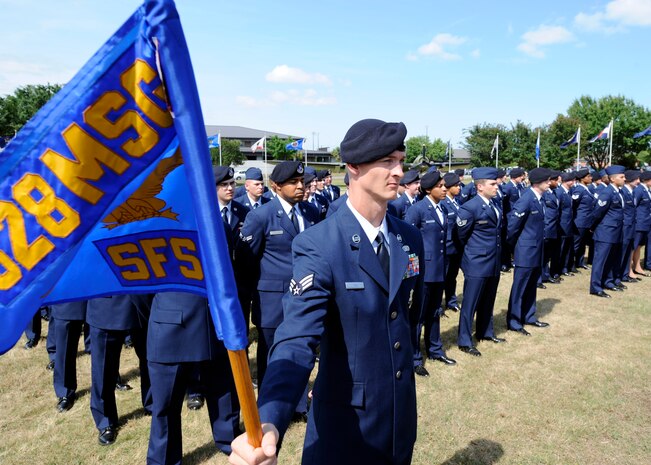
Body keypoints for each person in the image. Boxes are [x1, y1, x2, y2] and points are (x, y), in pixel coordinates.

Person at [229, 118, 425, 465]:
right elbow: (295, 338)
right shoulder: (319, 245)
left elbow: (409, 316)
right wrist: (271, 419)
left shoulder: (408, 237)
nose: (399, 171)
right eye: (387, 161)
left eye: (401, 160)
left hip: (399, 416)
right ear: (352, 167)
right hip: (346, 426)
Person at [237, 160, 320, 419]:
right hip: (273, 300)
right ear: (276, 186)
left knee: (302, 350)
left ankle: (298, 404)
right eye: (293, 183)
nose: (300, 186)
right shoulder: (261, 215)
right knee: (271, 355)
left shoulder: (310, 212)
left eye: (302, 182)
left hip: (305, 297)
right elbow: (246, 262)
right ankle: (270, 406)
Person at [146, 292, 241, 463]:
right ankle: (165, 459)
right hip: (169, 323)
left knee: (224, 390)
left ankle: (232, 443)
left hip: (215, 321)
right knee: (166, 404)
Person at [405, 170, 457, 376]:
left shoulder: (442, 208)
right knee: (417, 316)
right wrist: (411, 275)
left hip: (439, 270)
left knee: (435, 312)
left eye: (445, 185)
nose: (444, 189)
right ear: (428, 189)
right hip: (423, 273)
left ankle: (435, 350)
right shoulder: (417, 210)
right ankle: (414, 358)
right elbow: (407, 245)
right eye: (440, 186)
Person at [86, 295, 151, 445]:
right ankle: (105, 419)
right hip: (106, 302)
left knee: (150, 358)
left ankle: (153, 403)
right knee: (103, 367)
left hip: (140, 298)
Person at [455, 168, 506, 357]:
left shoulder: (494, 204)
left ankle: (486, 331)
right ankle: (465, 340)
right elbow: (461, 236)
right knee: (470, 302)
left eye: (496, 183)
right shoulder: (470, 208)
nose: (497, 186)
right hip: (477, 262)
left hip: (493, 260)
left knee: (488, 299)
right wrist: (471, 256)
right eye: (492, 184)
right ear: (480, 186)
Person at [506, 168, 551, 335]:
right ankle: (514, 321)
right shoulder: (526, 199)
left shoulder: (539, 198)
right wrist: (515, 247)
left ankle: (529, 316)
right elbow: (512, 227)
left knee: (532, 284)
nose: (549, 183)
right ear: (538, 182)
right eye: (547, 180)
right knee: (520, 286)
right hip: (525, 250)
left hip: (536, 249)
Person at [589, 165, 626, 297]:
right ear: (612, 179)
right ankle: (595, 286)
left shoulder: (618, 191)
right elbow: (597, 213)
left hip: (616, 231)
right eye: (621, 177)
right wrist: (592, 227)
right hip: (605, 232)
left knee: (611, 259)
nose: (624, 179)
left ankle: (608, 281)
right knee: (600, 260)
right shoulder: (607, 192)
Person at [50, 301, 88, 412]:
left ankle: (113, 379)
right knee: (65, 347)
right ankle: (65, 391)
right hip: (69, 298)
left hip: (100, 297)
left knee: (106, 342)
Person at [441, 172, 463, 312]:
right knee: (442, 277)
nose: (459, 188)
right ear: (448, 187)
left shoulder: (456, 201)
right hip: (446, 246)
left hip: (456, 246)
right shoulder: (443, 203)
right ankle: (437, 304)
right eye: (456, 186)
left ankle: (451, 300)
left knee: (452, 276)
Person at [571, 169, 595, 272]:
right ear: (582, 178)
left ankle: (580, 262)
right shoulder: (579, 190)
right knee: (576, 244)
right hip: (580, 221)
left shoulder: (587, 189)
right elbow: (573, 205)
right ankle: (570, 264)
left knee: (582, 243)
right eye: (588, 176)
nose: (591, 178)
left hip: (587, 221)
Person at [620, 170, 640, 284]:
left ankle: (625, 274)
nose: (638, 181)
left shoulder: (632, 192)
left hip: (632, 226)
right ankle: (619, 275)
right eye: (636, 179)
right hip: (625, 227)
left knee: (628, 251)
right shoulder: (623, 192)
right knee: (623, 252)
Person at [632, 171, 651, 276]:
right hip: (639, 222)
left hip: (646, 222)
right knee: (634, 246)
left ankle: (637, 267)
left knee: (639, 246)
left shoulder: (646, 190)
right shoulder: (639, 190)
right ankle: (629, 269)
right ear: (647, 180)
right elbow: (634, 206)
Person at [557, 172, 576, 277]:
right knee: (561, 247)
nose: (573, 182)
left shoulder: (569, 192)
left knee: (567, 248)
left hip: (569, 224)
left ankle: (565, 267)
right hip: (562, 225)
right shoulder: (559, 192)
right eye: (571, 180)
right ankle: (559, 268)